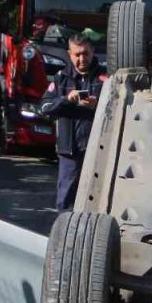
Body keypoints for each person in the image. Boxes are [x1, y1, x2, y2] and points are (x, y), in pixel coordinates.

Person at [39, 34, 105, 210]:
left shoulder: (106, 78)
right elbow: (44, 107)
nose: (82, 59)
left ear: (93, 52)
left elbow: (122, 107)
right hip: (69, 150)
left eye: (86, 54)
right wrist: (67, 100)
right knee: (66, 201)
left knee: (98, 199)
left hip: (99, 148)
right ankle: (65, 234)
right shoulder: (61, 78)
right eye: (77, 55)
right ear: (69, 54)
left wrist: (99, 104)